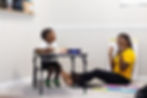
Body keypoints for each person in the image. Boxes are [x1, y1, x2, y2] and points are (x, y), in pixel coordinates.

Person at [61, 33, 136, 87]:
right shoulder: (119, 52)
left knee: (97, 71)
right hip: (116, 76)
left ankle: (73, 78)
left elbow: (123, 68)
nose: (118, 41)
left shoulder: (130, 52)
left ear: (127, 41)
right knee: (96, 72)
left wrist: (121, 53)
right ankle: (73, 77)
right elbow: (113, 68)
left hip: (123, 79)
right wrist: (110, 55)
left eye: (120, 39)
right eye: (118, 40)